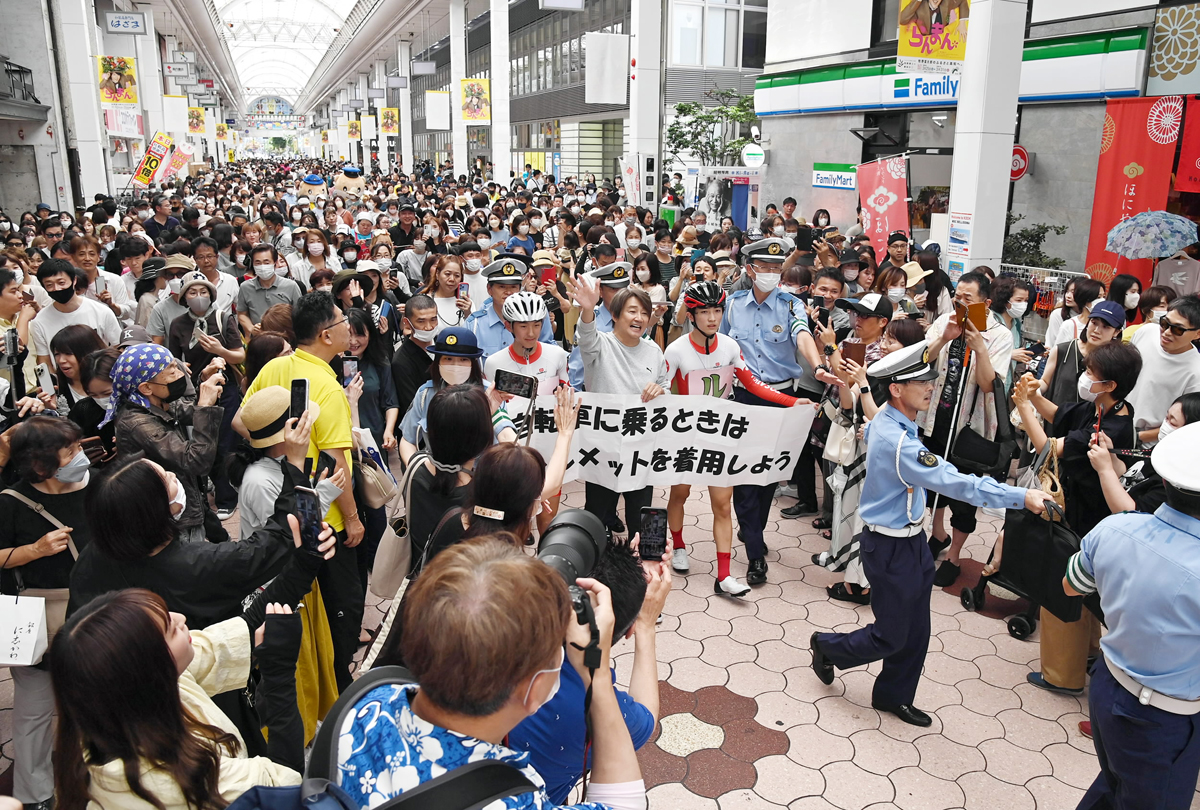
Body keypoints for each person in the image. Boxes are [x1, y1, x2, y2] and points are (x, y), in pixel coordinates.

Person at [810, 340, 1051, 727]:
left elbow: (874, 426)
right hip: (889, 547)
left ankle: (893, 697)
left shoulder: (891, 420)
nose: (930, 387)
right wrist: (1023, 496)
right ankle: (827, 646)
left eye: (931, 379)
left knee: (917, 631)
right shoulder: (901, 442)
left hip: (910, 542)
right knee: (891, 634)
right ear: (896, 388)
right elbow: (959, 484)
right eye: (921, 382)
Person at [338, 537, 646, 810]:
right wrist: (596, 671)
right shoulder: (510, 798)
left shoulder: (366, 701)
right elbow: (624, 803)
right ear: (532, 691)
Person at [51, 590, 307, 810]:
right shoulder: (188, 779)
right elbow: (285, 784)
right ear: (149, 669)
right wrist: (279, 672)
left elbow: (220, 644)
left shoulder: (105, 713)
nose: (181, 618)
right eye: (170, 629)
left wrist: (302, 566)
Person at [1063, 423, 1200, 810]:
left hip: (1108, 682)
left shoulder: (1116, 528)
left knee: (1115, 782)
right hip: (1166, 715)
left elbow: (1072, 584)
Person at [239, 291, 364, 690]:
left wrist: (272, 454)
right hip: (321, 519)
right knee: (341, 606)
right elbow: (338, 464)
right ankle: (340, 685)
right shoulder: (327, 387)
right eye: (343, 320)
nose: (350, 326)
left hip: (279, 517)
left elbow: (244, 421)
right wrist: (353, 519)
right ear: (326, 335)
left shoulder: (275, 367)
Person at [665, 281, 810, 595]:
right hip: (686, 437)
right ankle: (677, 545)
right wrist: (655, 391)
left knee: (722, 504)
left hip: (719, 435)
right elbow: (662, 388)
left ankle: (725, 575)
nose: (713, 317)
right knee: (680, 495)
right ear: (691, 314)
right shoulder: (676, 349)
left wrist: (791, 401)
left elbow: (754, 385)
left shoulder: (730, 346)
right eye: (704, 311)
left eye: (717, 310)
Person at [1014, 340, 1141, 696]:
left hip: (1085, 521)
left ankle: (1060, 674)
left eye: (1090, 373)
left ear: (1110, 385)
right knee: (1087, 595)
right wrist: (1036, 395)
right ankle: (1089, 653)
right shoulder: (1102, 407)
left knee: (1065, 591)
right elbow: (1058, 416)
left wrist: (1024, 407)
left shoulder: (1111, 429)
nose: (1084, 377)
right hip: (1089, 518)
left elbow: (1047, 449)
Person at [508, 535, 667, 804]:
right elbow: (647, 717)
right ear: (628, 630)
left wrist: (621, 565)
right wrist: (647, 623)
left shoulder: (493, 639)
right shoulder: (598, 708)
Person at [718, 238, 832, 584]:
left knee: (768, 474)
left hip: (781, 399)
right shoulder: (733, 304)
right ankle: (755, 551)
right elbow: (720, 346)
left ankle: (754, 529)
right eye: (763, 268)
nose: (769, 274)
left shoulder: (792, 305)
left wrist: (818, 367)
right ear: (750, 269)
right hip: (743, 399)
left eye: (774, 268)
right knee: (743, 475)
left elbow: (802, 337)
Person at [0, 417, 91, 810]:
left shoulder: (97, 486)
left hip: (91, 608)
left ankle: (99, 779)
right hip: (35, 614)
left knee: (96, 702)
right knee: (35, 708)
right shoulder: (10, 502)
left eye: (79, 446)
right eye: (70, 451)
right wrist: (34, 550)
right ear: (39, 464)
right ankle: (33, 794)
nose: (80, 457)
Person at [919, 272, 1013, 586]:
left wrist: (980, 347)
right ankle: (937, 534)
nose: (961, 303)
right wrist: (944, 337)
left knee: (963, 493)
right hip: (934, 417)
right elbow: (920, 361)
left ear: (986, 303)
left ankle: (955, 555)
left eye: (968, 299)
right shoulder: (945, 320)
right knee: (932, 483)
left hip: (970, 429)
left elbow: (989, 385)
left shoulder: (999, 335)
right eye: (958, 296)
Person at [567, 272, 668, 535]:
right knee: (597, 519)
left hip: (642, 450)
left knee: (644, 518)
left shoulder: (654, 351)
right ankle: (596, 567)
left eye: (644, 313)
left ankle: (649, 567)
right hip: (603, 449)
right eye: (632, 311)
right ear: (615, 315)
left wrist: (660, 390)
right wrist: (587, 309)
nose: (639, 318)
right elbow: (586, 336)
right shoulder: (600, 345)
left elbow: (665, 391)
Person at [397, 326, 516, 465]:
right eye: (448, 359)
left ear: (473, 363)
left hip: (478, 479)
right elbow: (407, 439)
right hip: (437, 478)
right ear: (437, 362)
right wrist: (418, 469)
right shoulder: (425, 394)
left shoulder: (489, 393)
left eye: (463, 360)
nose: (455, 366)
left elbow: (505, 432)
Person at [1125, 295, 1200, 445]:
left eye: (1178, 330)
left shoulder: (1195, 371)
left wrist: (1138, 437)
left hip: (1146, 444)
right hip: (1115, 423)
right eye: (1164, 323)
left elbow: (1185, 423)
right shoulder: (1145, 332)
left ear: (1197, 334)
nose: (1166, 332)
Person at [30, 259, 120, 368]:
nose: (57, 289)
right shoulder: (39, 321)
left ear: (74, 281)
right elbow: (45, 361)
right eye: (49, 285)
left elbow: (117, 347)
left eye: (61, 283)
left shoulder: (101, 311)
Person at [466, 256, 555, 359]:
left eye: (513, 287)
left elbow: (549, 350)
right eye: (502, 287)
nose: (508, 292)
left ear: (520, 288)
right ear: (489, 289)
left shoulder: (536, 315)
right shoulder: (475, 324)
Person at [236, 244, 302, 337]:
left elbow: (300, 315)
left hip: (286, 339)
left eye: (266, 262)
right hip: (259, 340)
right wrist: (251, 328)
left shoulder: (291, 286)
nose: (262, 266)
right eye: (258, 263)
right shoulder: (245, 287)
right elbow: (242, 314)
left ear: (275, 263)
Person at [391, 293, 437, 418]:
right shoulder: (401, 361)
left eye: (433, 319)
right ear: (407, 322)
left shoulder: (443, 345)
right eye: (421, 321)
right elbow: (410, 406)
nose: (428, 327)